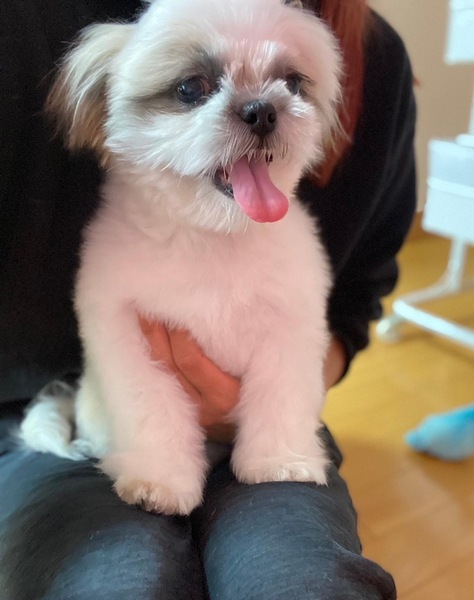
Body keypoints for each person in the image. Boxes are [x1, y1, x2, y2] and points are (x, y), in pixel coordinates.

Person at [0, 0, 416, 598]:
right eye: (193, 89)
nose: (261, 109)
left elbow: (348, 307)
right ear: (106, 102)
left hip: (268, 428)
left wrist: (258, 416)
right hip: (80, 423)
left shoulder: (377, 56)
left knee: (304, 585)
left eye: (290, 83)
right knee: (123, 582)